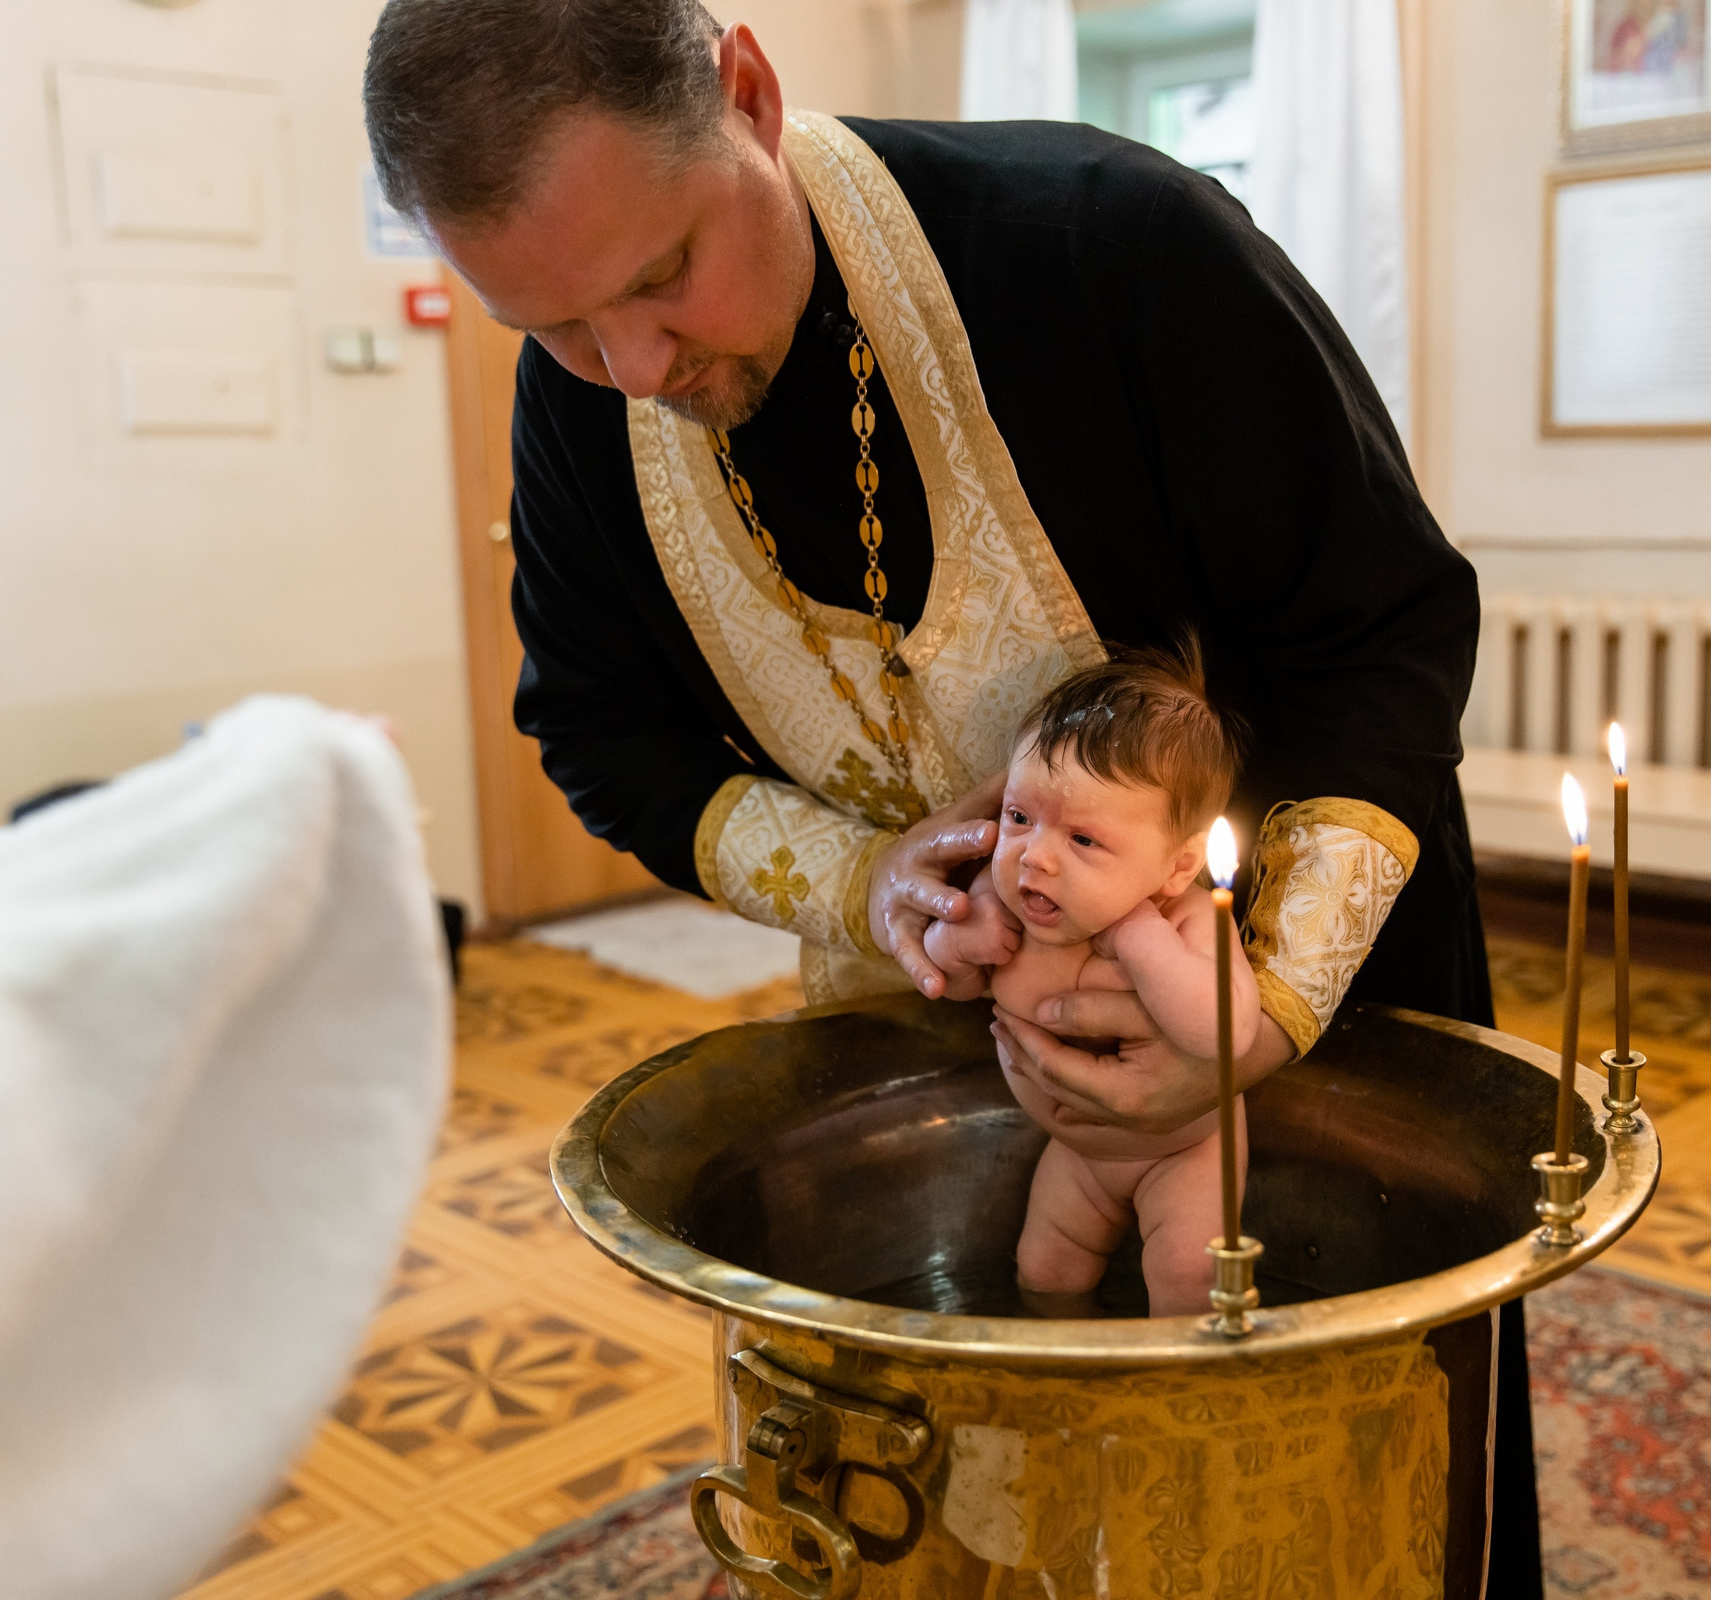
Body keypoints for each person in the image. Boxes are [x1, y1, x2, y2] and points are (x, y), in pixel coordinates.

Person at [363, 3, 1535, 1587]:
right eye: (557, 328)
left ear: (750, 97)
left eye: (659, 277)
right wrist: (863, 879)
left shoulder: (1110, 247)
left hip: (1297, 1057)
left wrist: (1256, 1015)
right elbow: (598, 725)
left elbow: (1380, 634)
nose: (634, 369)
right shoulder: (584, 399)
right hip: (955, 1066)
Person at [923, 648, 1258, 1316]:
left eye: (1083, 840)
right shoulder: (1004, 899)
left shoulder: (1184, 918)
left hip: (1186, 1151)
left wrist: (1143, 943)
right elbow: (950, 983)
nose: (1035, 857)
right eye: (1019, 818)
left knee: (1189, 1279)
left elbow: (1228, 1032)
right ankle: (1071, 1385)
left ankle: (1175, 1400)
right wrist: (957, 942)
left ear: (1176, 864)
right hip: (1074, 1153)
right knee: (1043, 1269)